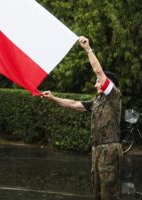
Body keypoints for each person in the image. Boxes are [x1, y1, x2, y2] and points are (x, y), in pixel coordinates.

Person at [42, 36, 123, 200]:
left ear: (108, 84)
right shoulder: (97, 101)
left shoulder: (113, 95)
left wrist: (88, 49)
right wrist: (53, 98)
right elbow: (73, 104)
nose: (95, 85)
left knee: (109, 193)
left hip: (109, 148)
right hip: (98, 149)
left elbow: (98, 71)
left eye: (97, 83)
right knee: (98, 192)